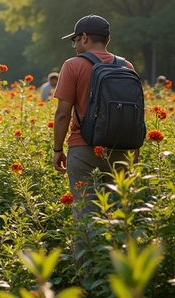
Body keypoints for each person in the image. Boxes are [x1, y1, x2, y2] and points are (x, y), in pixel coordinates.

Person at [51, 15, 137, 217]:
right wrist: (134, 154)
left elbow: (63, 114)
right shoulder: (127, 66)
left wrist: (57, 149)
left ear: (85, 37)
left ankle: (87, 249)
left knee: (86, 212)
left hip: (84, 150)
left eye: (75, 40)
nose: (74, 46)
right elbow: (134, 114)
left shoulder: (73, 65)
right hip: (122, 149)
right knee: (117, 213)